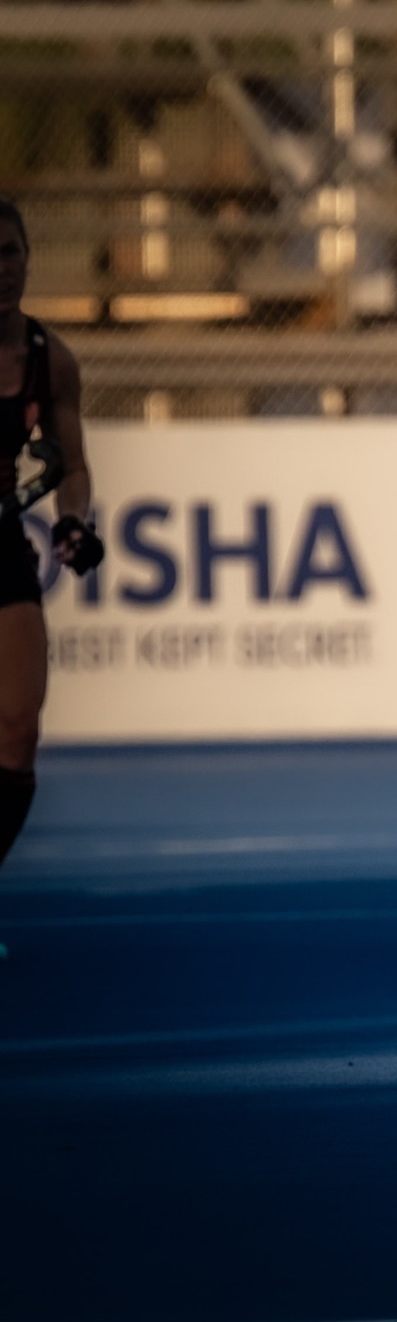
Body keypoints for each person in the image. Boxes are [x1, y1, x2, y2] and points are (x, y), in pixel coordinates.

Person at [0, 199, 106, 955]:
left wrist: (75, 521)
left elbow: (72, 464)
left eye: (9, 252)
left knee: (18, 726)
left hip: (0, 542)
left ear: (28, 258)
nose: (0, 268)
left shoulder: (50, 358)